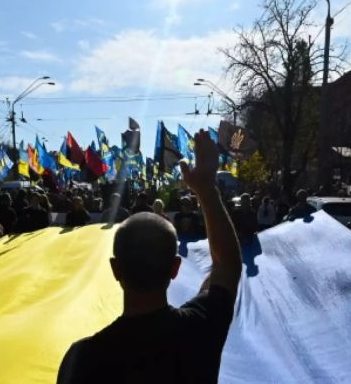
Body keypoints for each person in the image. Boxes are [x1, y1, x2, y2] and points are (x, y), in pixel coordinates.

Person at [58, 129, 241, 384]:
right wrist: (206, 189)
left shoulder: (82, 359)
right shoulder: (199, 329)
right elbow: (227, 266)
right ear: (175, 268)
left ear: (115, 270)